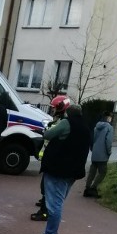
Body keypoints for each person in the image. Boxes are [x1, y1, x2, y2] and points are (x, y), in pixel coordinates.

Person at [33, 101, 91, 234]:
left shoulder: (66, 123)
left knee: (54, 205)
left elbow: (48, 134)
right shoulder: (85, 126)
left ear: (68, 112)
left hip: (58, 169)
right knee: (58, 202)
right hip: (73, 172)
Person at [31, 94, 69, 223]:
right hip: (49, 157)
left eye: (54, 108)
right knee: (46, 187)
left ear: (60, 108)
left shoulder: (62, 122)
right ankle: (44, 207)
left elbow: (49, 135)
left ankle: (45, 212)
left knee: (47, 187)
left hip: (52, 159)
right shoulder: (59, 120)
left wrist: (44, 132)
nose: (52, 110)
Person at [83, 109, 113, 197]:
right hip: (103, 153)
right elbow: (108, 141)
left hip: (95, 152)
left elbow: (93, 139)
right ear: (108, 118)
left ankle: (87, 188)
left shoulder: (96, 126)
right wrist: (109, 152)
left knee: (92, 171)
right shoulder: (109, 127)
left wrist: (93, 148)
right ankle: (93, 188)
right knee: (103, 172)